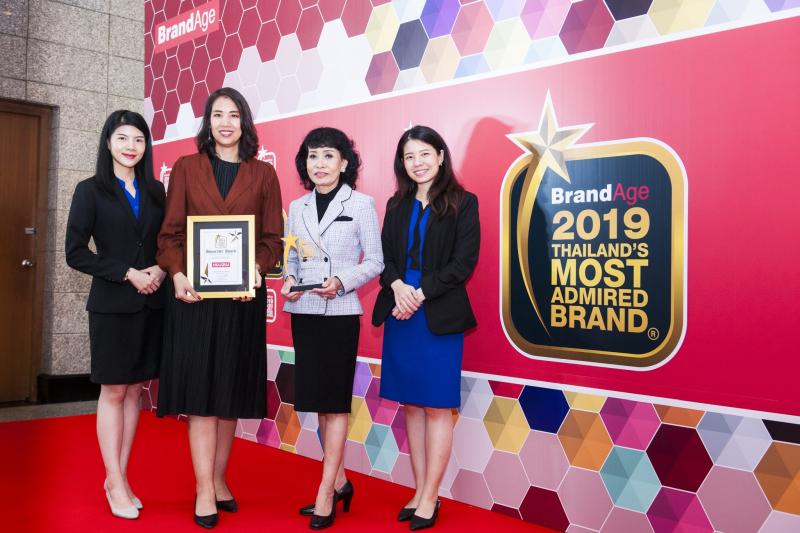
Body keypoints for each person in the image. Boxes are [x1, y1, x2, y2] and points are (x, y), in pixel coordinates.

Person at [156, 87, 283, 529]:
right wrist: (176, 274)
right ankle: (204, 489)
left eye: (233, 115)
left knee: (228, 395)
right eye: (217, 115)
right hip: (194, 299)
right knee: (202, 397)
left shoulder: (263, 174)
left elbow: (271, 239)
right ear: (207, 123)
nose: (225, 122)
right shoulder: (186, 168)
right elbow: (170, 234)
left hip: (241, 300)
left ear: (244, 122)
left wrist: (256, 271)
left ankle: (219, 478)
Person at [372, 126, 480, 530]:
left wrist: (417, 294)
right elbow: (385, 257)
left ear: (440, 155)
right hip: (400, 309)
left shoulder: (463, 203)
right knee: (412, 405)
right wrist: (398, 287)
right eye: (408, 156)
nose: (416, 163)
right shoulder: (396, 204)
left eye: (423, 154)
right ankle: (419, 491)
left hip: (436, 313)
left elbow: (463, 263)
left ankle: (431, 497)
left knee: (436, 406)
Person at [65, 110, 166, 520]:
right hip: (111, 306)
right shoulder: (89, 190)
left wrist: (160, 270)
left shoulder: (156, 190)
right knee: (113, 391)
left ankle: (118, 478)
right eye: (122, 138)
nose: (130, 146)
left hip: (152, 303)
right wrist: (127, 273)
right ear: (108, 142)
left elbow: (167, 242)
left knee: (135, 391)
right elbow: (75, 253)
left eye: (138, 139)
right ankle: (114, 479)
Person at [281, 127, 383, 530]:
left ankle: (325, 492)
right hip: (305, 312)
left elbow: (375, 261)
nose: (319, 164)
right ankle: (340, 481)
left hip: (339, 313)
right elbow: (291, 259)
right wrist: (290, 281)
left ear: (344, 162)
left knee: (335, 403)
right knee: (319, 402)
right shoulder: (297, 206)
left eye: (328, 156)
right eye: (312, 156)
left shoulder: (360, 203)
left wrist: (341, 281)